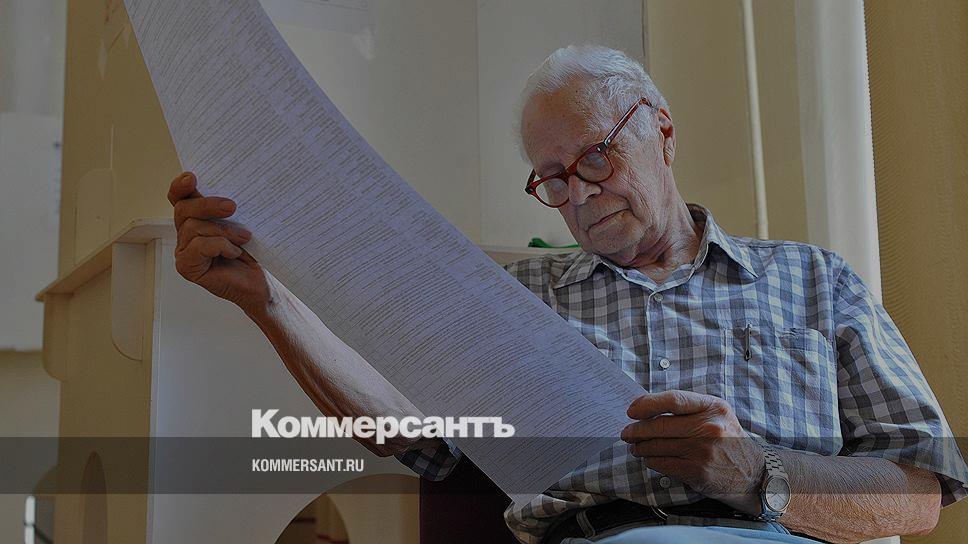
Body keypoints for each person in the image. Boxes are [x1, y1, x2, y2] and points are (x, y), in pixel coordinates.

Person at [166, 45, 968, 544]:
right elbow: (408, 433)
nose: (578, 196)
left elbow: (920, 492)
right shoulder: (517, 300)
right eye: (551, 179)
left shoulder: (815, 281)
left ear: (662, 131)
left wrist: (756, 472)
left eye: (594, 159)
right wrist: (269, 301)